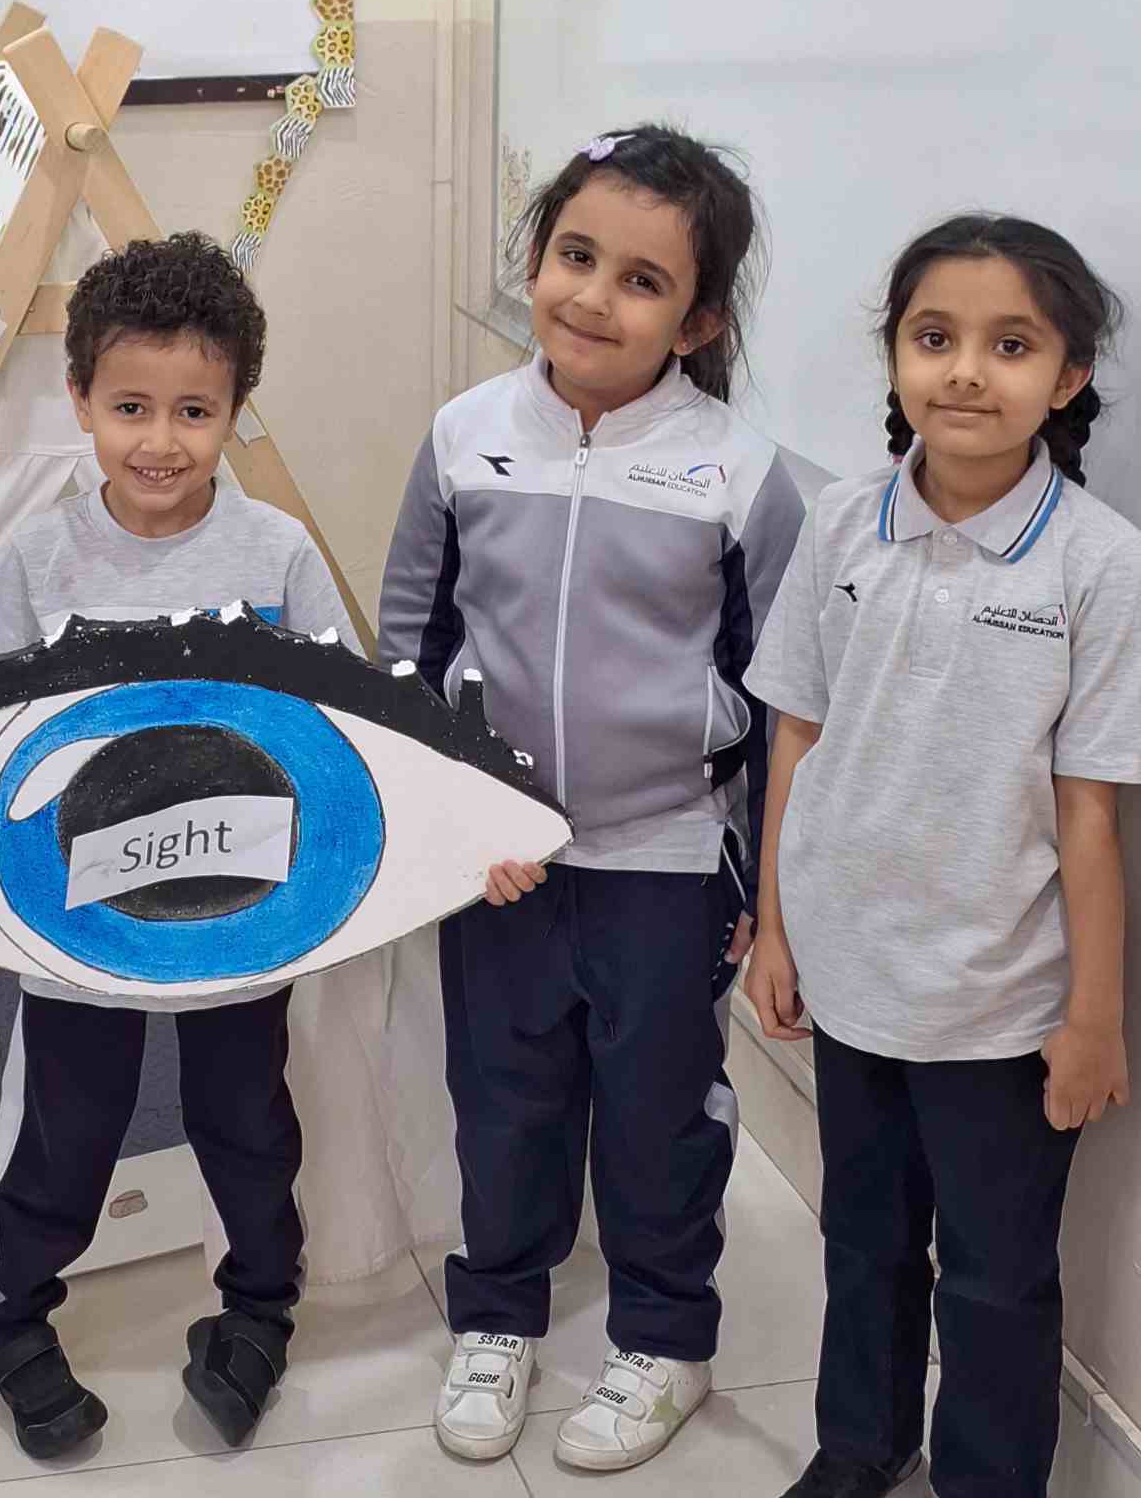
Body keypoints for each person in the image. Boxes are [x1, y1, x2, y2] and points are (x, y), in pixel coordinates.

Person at [0, 232, 356, 1460]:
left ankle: (260, 1305)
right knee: (66, 1129)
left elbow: (358, 732)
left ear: (237, 410)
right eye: (131, 406)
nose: (161, 441)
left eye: (195, 411)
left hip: (241, 921)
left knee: (249, 1125)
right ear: (81, 398)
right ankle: (15, 1313)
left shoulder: (279, 553)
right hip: (79, 921)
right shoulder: (41, 556)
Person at [379, 126, 805, 1471]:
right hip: (501, 858)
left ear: (699, 320)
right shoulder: (464, 438)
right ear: (535, 260)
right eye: (575, 256)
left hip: (664, 858)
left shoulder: (739, 473)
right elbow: (411, 647)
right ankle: (496, 1315)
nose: (594, 298)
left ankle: (665, 1336)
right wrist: (456, 817)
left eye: (642, 280)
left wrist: (764, 890)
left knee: (659, 1110)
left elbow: (781, 698)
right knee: (502, 1094)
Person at [743, 216, 1141, 1498]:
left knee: (995, 1274)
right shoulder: (841, 524)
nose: (967, 371)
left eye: (1011, 345)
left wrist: (1094, 1016)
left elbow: (1090, 814)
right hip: (852, 973)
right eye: (935, 337)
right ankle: (863, 1445)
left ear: (1069, 376)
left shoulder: (1099, 560)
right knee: (864, 1238)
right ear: (895, 356)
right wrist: (777, 927)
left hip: (1000, 1003)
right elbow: (797, 731)